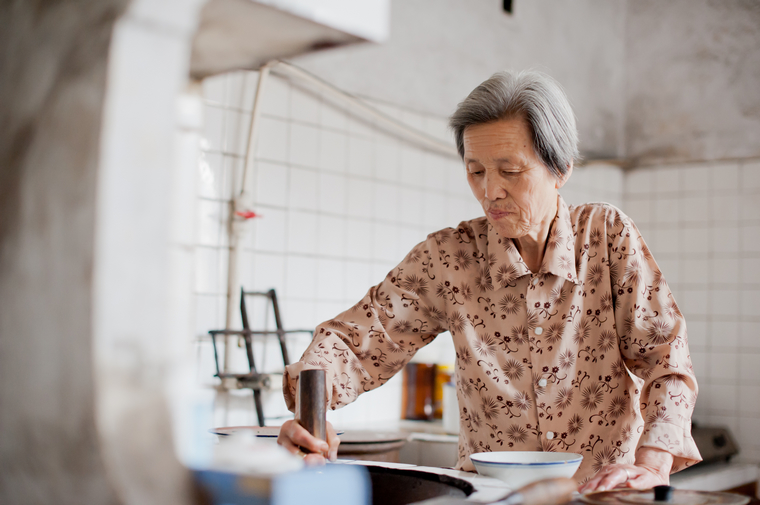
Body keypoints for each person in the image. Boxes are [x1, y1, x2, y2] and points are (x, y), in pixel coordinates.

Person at [276, 70, 701, 490]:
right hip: (493, 498)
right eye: (476, 171)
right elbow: (353, 341)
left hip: (601, 497)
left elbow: (666, 358)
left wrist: (652, 465)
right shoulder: (448, 258)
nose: (490, 191)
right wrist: (311, 418)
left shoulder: (606, 236)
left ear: (561, 169)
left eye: (510, 171)